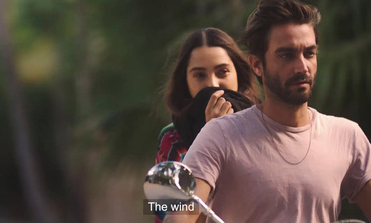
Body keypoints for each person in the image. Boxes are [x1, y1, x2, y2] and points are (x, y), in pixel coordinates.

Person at [164, 0, 371, 222]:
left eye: (309, 53)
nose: (302, 67)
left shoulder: (347, 136)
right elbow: (175, 215)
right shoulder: (212, 135)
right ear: (256, 65)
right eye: (286, 55)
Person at [154, 27, 259, 222]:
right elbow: (164, 213)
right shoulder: (172, 139)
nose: (213, 84)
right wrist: (210, 137)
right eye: (200, 75)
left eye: (223, 72)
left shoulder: (265, 130)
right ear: (185, 81)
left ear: (239, 74)